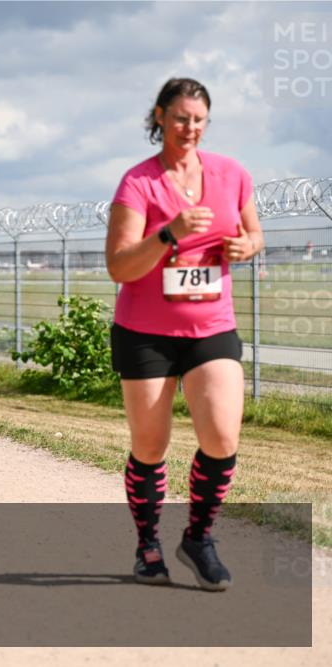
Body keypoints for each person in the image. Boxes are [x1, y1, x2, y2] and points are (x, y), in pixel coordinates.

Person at [105, 78, 264, 591]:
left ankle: (198, 537)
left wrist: (247, 247)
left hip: (211, 326)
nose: (189, 127)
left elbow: (253, 232)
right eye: (179, 118)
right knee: (150, 447)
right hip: (146, 332)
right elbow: (120, 266)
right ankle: (148, 545)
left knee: (222, 436)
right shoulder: (139, 183)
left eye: (198, 119)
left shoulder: (232, 174)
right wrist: (168, 232)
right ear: (159, 117)